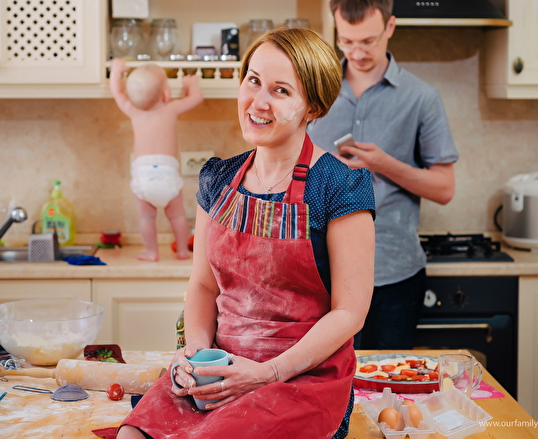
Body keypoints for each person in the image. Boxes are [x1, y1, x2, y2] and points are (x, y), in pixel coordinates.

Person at [97, 28, 376, 439]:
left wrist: (268, 372)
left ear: (312, 107)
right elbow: (203, 285)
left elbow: (350, 312)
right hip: (219, 371)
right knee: (132, 434)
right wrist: (194, 355)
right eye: (253, 81)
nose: (258, 102)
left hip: (300, 379)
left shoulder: (339, 186)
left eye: (281, 91)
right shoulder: (218, 180)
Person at [307, 0, 459, 350]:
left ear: (390, 26)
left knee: (388, 378)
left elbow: (445, 189)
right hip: (319, 269)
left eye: (368, 41)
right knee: (326, 378)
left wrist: (385, 164)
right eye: (346, 41)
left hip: (393, 273)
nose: (357, 52)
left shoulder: (421, 98)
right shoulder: (315, 90)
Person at [110, 59, 204, 261]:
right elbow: (197, 98)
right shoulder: (171, 108)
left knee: (146, 218)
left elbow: (117, 92)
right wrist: (191, 84)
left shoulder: (133, 110)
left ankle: (152, 252)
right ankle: (182, 250)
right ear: (165, 94)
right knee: (177, 216)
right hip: (167, 173)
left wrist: (116, 71)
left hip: (143, 174)